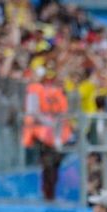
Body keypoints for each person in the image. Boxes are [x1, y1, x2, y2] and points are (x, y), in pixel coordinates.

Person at [22, 66, 72, 200]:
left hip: (56, 135)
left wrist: (57, 135)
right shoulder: (35, 90)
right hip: (42, 135)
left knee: (54, 165)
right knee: (46, 165)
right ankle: (46, 194)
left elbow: (62, 115)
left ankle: (50, 193)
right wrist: (50, 124)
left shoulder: (59, 92)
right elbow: (34, 112)